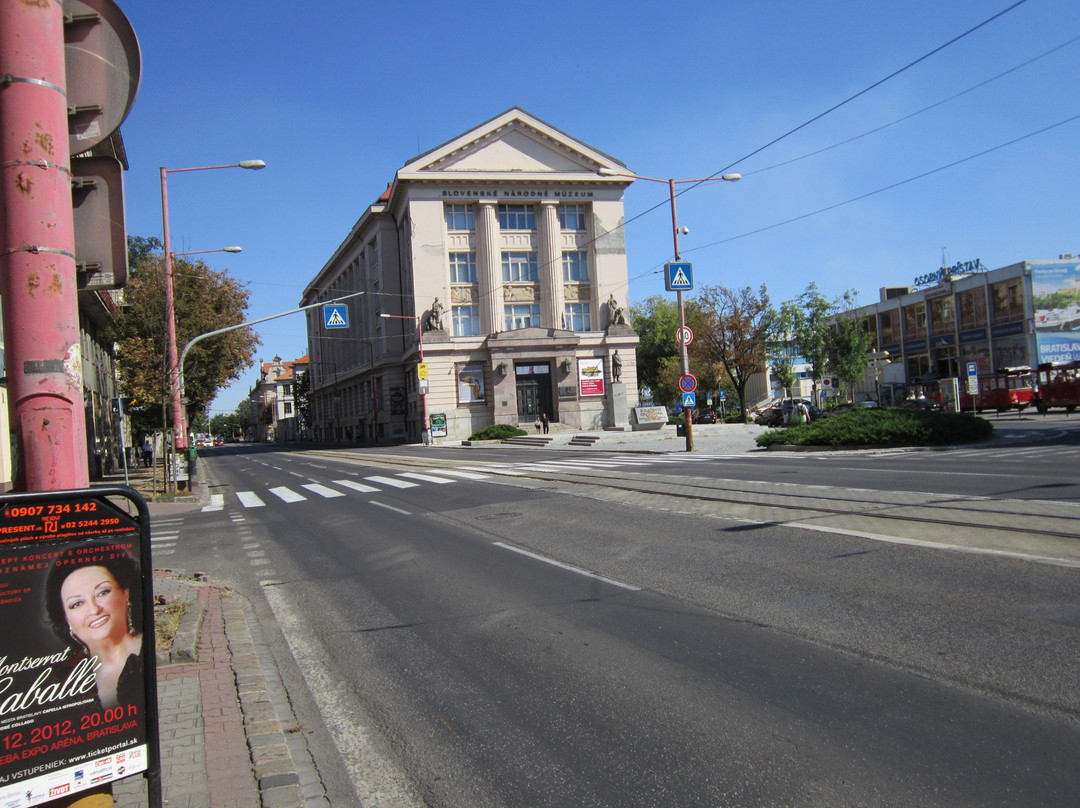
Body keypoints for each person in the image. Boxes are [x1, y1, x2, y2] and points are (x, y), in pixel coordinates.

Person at [45, 544, 144, 710]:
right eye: (76, 604)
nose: (94, 609)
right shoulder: (63, 680)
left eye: (102, 592)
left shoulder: (147, 651)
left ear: (125, 594)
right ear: (66, 619)